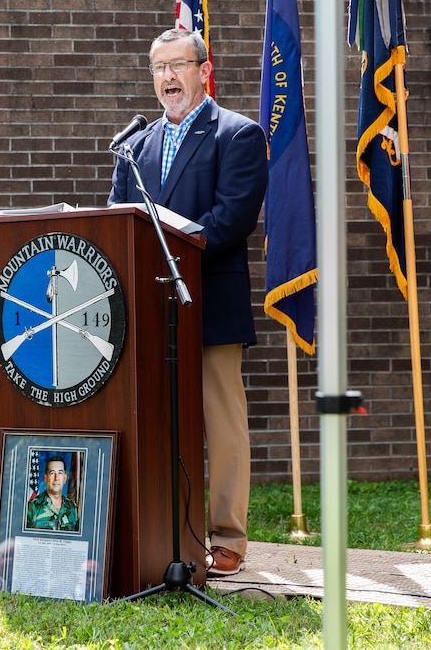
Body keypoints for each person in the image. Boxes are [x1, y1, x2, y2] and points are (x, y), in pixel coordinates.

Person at [107, 29, 268, 576]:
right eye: (158, 68)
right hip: (148, 312)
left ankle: (226, 538)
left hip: (209, 303)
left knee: (221, 425)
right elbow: (116, 220)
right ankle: (163, 532)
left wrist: (170, 245)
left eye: (178, 66)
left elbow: (232, 218)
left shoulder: (238, 135)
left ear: (204, 69)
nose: (168, 78)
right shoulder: (135, 146)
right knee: (154, 423)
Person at [25, 455, 79, 531]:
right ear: (45, 478)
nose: (56, 478)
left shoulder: (72, 508)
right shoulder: (32, 508)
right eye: (52, 473)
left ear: (65, 478)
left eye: (60, 473)